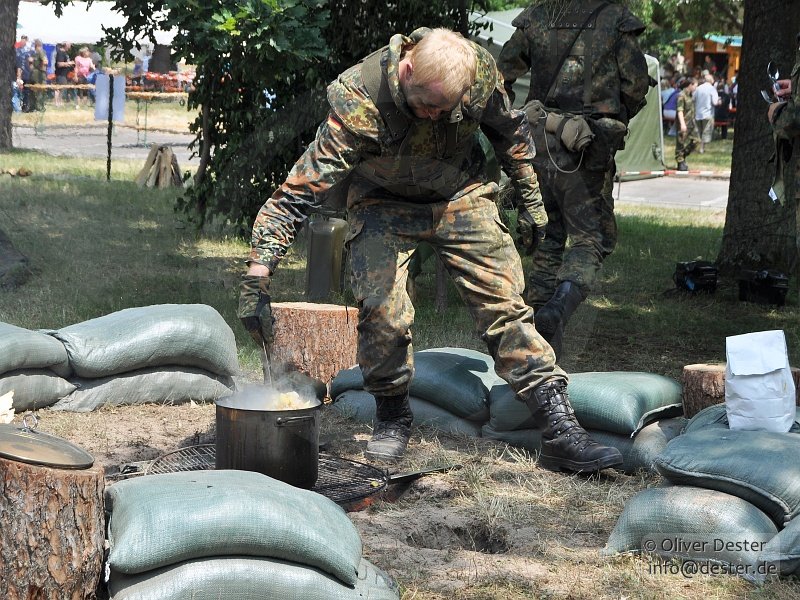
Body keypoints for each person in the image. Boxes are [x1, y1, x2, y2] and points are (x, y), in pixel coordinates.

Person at [237, 27, 623, 473]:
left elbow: (509, 132)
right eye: (428, 106)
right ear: (405, 70)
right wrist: (257, 278)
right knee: (382, 312)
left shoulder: (477, 76)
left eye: (447, 109)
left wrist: (533, 203)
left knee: (505, 306)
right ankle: (393, 416)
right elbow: (297, 193)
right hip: (382, 201)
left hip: (460, 193)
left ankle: (560, 430)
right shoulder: (359, 100)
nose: (437, 117)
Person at [496, 0, 650, 358]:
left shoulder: (536, 16)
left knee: (547, 239)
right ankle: (556, 311)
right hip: (588, 147)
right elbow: (636, 85)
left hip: (541, 140)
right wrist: (613, 115)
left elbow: (501, 74)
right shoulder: (616, 18)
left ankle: (533, 336)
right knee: (591, 239)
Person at [675, 77, 699, 171]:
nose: (696, 88)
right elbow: (680, 111)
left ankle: (682, 155)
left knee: (696, 140)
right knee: (680, 143)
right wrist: (682, 124)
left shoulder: (690, 95)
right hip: (683, 123)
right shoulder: (681, 95)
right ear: (690, 85)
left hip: (691, 123)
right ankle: (680, 162)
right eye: (695, 86)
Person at [693, 73, 720, 153]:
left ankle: (695, 148)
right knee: (706, 131)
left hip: (698, 113)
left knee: (699, 132)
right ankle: (701, 148)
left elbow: (693, 99)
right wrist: (719, 101)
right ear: (711, 81)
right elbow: (715, 102)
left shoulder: (698, 88)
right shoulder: (712, 89)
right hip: (708, 113)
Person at [54, 42, 75, 107]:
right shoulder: (60, 53)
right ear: (65, 45)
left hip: (64, 75)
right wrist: (69, 63)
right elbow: (59, 64)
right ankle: (57, 103)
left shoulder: (65, 53)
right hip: (60, 74)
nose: (71, 45)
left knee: (62, 88)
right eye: (69, 44)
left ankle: (59, 102)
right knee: (58, 89)